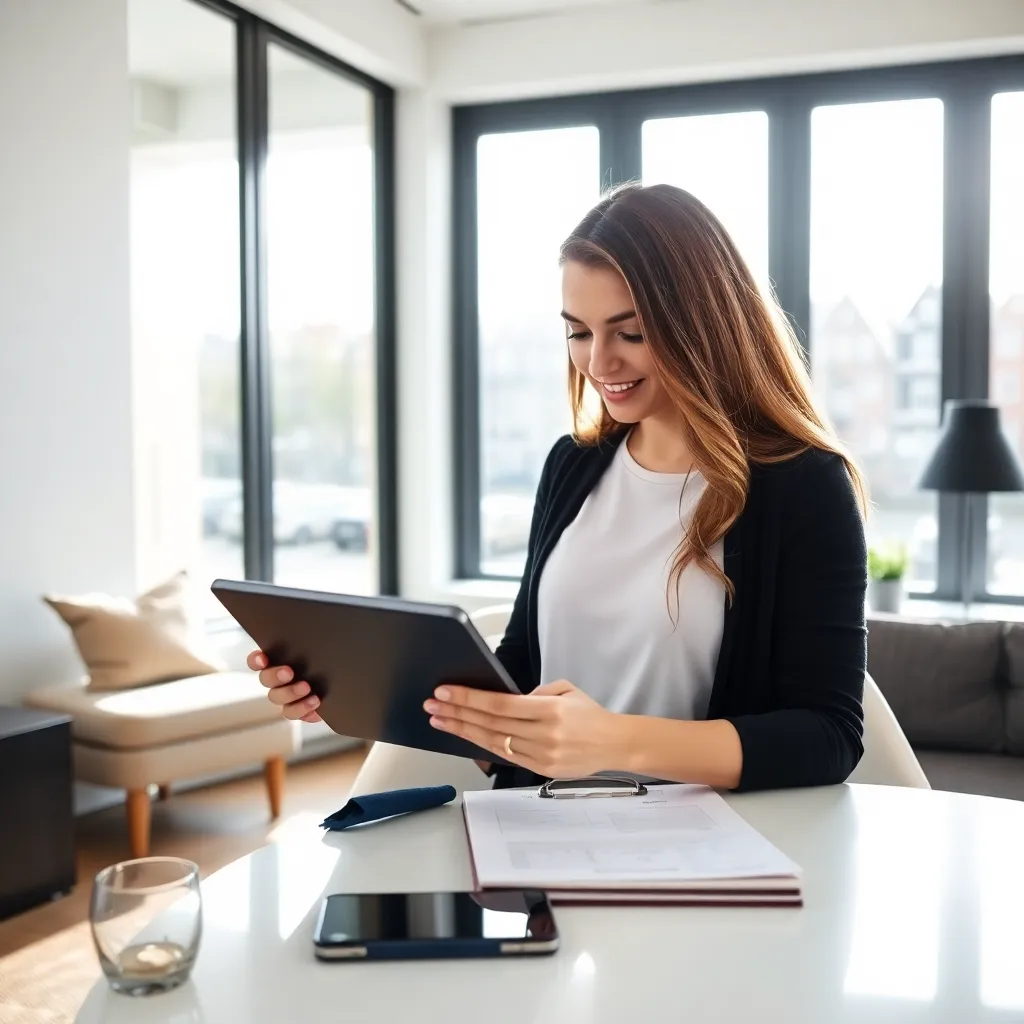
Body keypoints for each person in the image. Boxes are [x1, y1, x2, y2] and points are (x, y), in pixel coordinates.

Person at [249, 182, 868, 792]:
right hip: (542, 825)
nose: (599, 363)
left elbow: (829, 736)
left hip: (707, 838)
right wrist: (356, 688)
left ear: (705, 325)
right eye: (578, 332)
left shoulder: (804, 485)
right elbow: (523, 670)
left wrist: (615, 740)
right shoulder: (572, 465)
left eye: (631, 333)